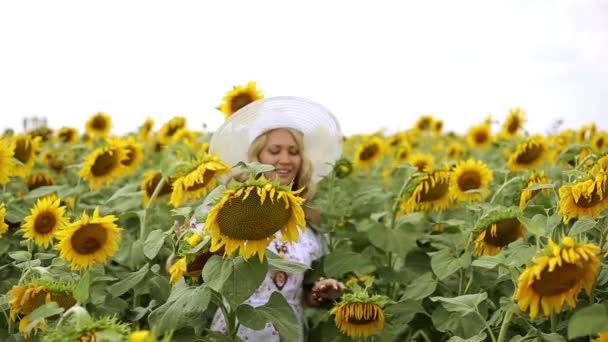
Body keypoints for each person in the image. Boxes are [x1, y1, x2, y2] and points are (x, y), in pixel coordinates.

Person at [202, 96, 346, 341]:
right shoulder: (229, 208)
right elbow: (187, 264)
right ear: (257, 157)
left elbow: (308, 295)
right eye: (274, 150)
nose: (286, 159)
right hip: (235, 330)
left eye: (294, 152)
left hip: (287, 332)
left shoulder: (307, 219)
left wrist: (326, 291)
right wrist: (182, 250)